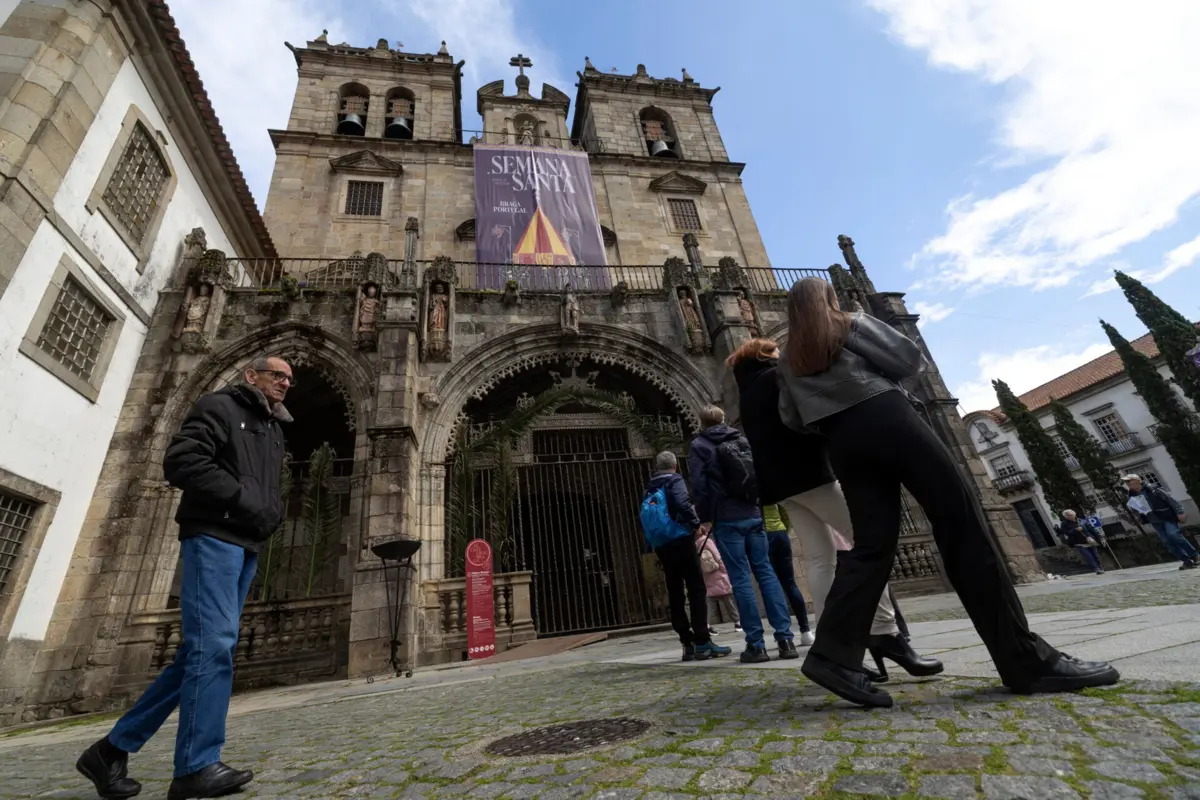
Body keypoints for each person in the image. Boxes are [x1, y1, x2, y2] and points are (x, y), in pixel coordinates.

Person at [776, 278, 1119, 708]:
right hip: (887, 416)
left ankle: (831, 655)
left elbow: (791, 419)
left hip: (841, 441)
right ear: (827, 300)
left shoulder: (788, 358)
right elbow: (909, 361)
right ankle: (1023, 660)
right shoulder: (849, 323)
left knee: (872, 546)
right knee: (961, 525)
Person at [76, 357, 295, 799]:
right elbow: (181, 461)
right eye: (278, 375)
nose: (286, 383)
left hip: (246, 542)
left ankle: (110, 751)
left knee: (201, 652)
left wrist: (267, 515)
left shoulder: (272, 428)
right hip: (214, 535)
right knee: (213, 645)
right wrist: (243, 501)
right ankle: (196, 766)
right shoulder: (220, 407)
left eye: (290, 379)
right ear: (251, 375)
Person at [728, 337, 938, 682]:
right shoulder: (777, 377)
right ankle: (885, 633)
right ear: (765, 355)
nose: (781, 354)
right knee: (871, 544)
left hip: (782, 487)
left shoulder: (747, 394)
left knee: (819, 559)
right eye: (776, 351)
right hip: (809, 474)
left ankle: (832, 646)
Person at [688, 406, 797, 663]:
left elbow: (700, 485)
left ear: (701, 422)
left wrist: (704, 517)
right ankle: (785, 640)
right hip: (753, 514)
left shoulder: (700, 445)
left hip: (727, 518)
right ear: (723, 419)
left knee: (740, 579)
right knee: (766, 573)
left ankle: (756, 645)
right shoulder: (741, 440)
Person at [641, 451, 732, 661]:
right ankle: (702, 641)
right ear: (675, 465)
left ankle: (686, 643)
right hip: (680, 539)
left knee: (675, 590)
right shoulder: (674, 480)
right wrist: (695, 524)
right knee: (696, 588)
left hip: (661, 543)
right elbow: (682, 503)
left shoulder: (649, 486)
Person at [761, 503, 815, 645]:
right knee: (790, 584)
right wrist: (783, 528)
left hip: (762, 534)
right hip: (780, 532)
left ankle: (782, 632)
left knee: (770, 585)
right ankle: (806, 631)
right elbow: (784, 510)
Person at [1123, 474, 1196, 569]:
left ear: (1138, 480)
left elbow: (1170, 500)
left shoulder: (1152, 489)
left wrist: (1180, 512)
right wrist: (1138, 513)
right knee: (1167, 542)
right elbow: (1136, 509)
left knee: (1173, 535)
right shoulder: (1131, 495)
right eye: (1126, 482)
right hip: (1154, 521)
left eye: (1129, 481)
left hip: (1166, 516)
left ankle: (1195, 555)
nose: (1128, 483)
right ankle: (1186, 561)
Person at [695, 526, 741, 633]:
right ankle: (737, 622)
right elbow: (717, 556)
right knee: (728, 599)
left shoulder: (695, 544)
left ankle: (706, 625)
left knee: (708, 601)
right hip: (717, 572)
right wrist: (724, 570)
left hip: (706, 574)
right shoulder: (707, 541)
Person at [1059, 510, 1104, 574]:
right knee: (1089, 557)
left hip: (1089, 540)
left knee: (1096, 556)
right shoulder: (1064, 524)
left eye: (1071, 515)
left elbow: (1091, 529)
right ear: (1066, 517)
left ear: (1074, 514)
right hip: (1078, 543)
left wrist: (1099, 537)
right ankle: (1096, 569)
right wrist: (1075, 530)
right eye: (1068, 516)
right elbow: (1066, 533)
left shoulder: (1082, 520)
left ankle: (1100, 567)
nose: (1070, 516)